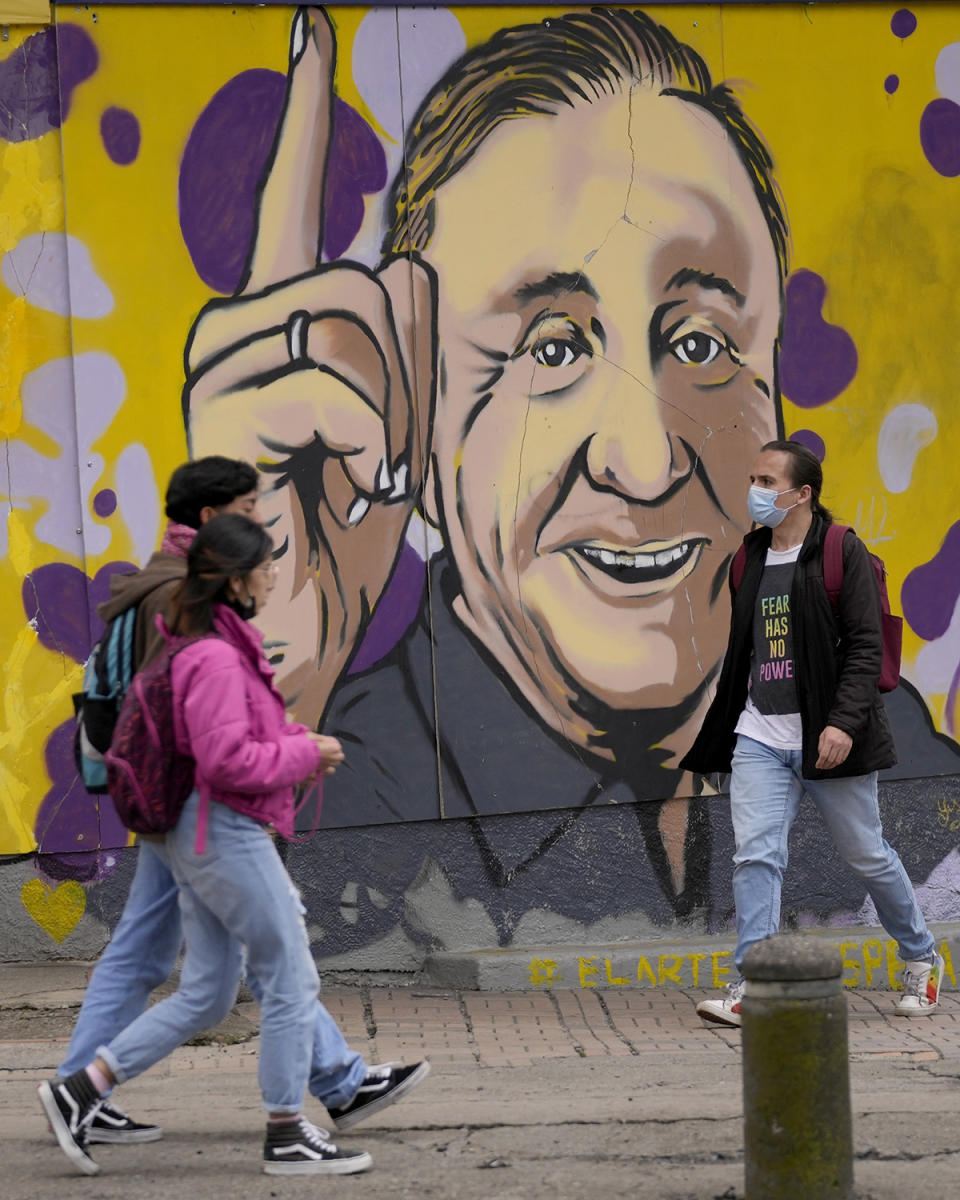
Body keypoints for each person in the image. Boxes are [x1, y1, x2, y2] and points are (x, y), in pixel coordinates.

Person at [182, 7, 960, 933]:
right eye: (550, 351)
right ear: (414, 421)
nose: (643, 461)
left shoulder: (905, 767)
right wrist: (272, 683)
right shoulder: (367, 793)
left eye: (704, 340)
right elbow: (181, 946)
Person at [41, 514, 425, 1176]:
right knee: (289, 978)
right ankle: (286, 1131)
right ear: (240, 580)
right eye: (269, 566)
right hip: (223, 833)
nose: (277, 575)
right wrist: (304, 752)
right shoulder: (216, 656)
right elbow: (225, 761)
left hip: (200, 833)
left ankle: (82, 1088)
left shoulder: (205, 643)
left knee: (208, 994)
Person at [681, 441, 945, 1026]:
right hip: (760, 735)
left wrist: (843, 723)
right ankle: (757, 985)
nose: (756, 489)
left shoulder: (839, 551)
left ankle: (922, 957)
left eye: (768, 480)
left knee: (868, 856)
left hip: (827, 739)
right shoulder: (748, 557)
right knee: (755, 857)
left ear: (802, 493)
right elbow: (748, 650)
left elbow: (865, 645)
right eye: (753, 477)